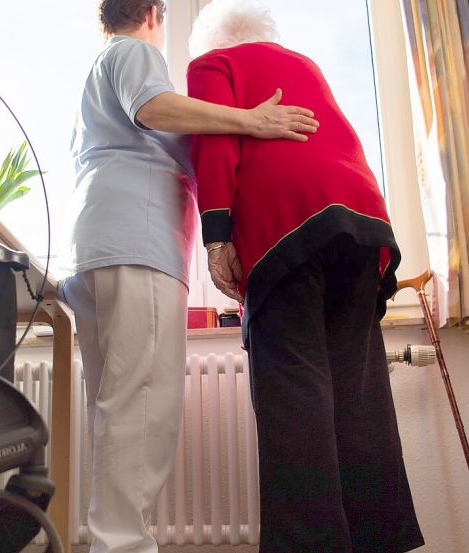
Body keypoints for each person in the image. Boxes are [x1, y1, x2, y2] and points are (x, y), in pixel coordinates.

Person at [58, 2, 319, 553]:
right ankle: (123, 547)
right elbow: (155, 108)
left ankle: (113, 542)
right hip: (135, 245)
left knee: (117, 412)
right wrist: (251, 119)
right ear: (154, 12)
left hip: (97, 248)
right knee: (144, 410)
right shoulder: (133, 53)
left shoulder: (98, 74)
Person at [186, 1, 424, 551]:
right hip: (362, 227)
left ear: (212, 40)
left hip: (286, 231)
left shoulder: (213, 65)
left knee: (294, 397)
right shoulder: (305, 65)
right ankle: (378, 540)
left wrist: (218, 235)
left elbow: (214, 144)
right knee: (357, 395)